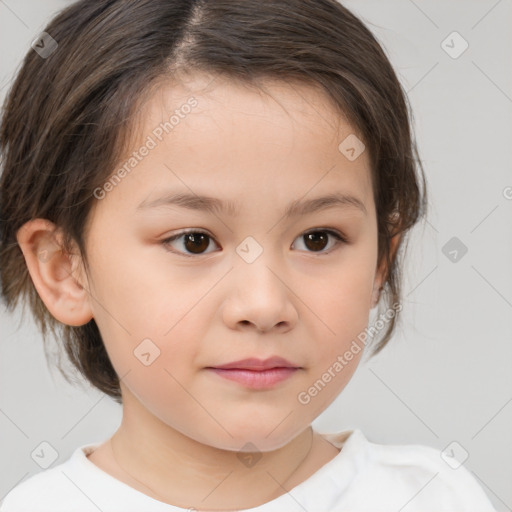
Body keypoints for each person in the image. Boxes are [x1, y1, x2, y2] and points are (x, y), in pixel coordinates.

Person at [0, 0, 496, 510]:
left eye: (318, 239)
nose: (263, 306)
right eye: (194, 241)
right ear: (65, 270)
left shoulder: (435, 498)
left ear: (380, 261)